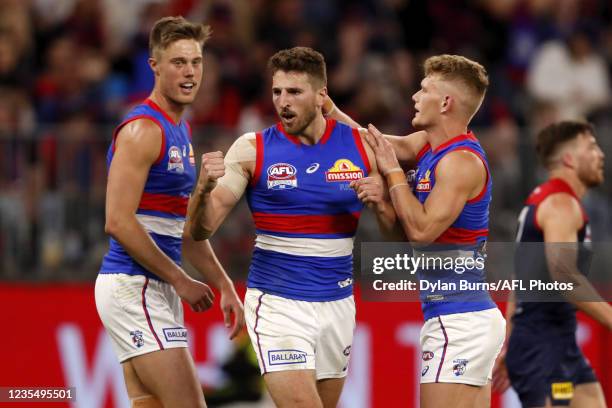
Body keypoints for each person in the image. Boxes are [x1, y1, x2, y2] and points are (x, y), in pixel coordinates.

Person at [187, 46, 391, 408]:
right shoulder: (251, 149)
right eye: (277, 91)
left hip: (337, 305)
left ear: (321, 95)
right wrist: (202, 192)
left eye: (295, 92)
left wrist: (383, 202)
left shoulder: (362, 147)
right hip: (278, 304)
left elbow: (397, 237)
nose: (283, 102)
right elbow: (202, 230)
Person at [329, 54, 506, 408]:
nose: (414, 96)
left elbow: (422, 230)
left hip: (459, 320)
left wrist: (394, 177)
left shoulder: (460, 162)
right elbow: (377, 147)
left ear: (445, 103)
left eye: (424, 89)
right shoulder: (429, 146)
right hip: (460, 319)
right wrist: (330, 113)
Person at [95, 16, 244, 408]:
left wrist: (224, 284)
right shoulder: (144, 130)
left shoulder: (180, 130)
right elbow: (117, 221)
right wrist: (181, 280)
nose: (190, 72)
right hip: (134, 286)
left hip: (153, 287)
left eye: (196, 61)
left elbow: (183, 231)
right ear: (154, 66)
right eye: (178, 62)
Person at [493, 121, 612, 407]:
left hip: (554, 343)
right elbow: (566, 276)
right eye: (591, 147)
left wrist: (511, 344)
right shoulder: (561, 204)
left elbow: (520, 279)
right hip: (543, 347)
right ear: (569, 159)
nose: (601, 155)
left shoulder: (546, 199)